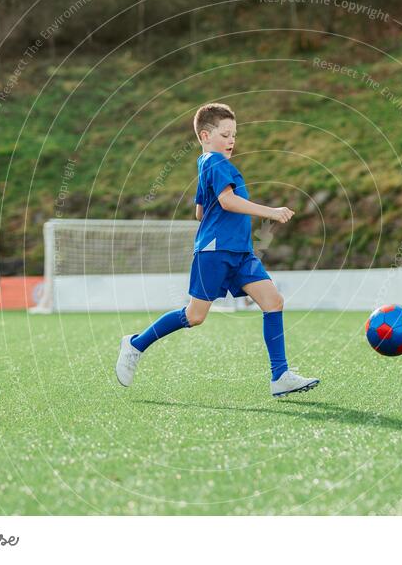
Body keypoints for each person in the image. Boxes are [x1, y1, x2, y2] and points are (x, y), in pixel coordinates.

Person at [115, 102, 320, 397]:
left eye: (234, 135)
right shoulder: (214, 162)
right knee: (195, 316)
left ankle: (280, 376)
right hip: (215, 251)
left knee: (273, 301)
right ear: (204, 136)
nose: (232, 141)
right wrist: (270, 212)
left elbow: (201, 211)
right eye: (225, 135)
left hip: (240, 252)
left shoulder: (208, 165)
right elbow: (226, 202)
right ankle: (135, 344)